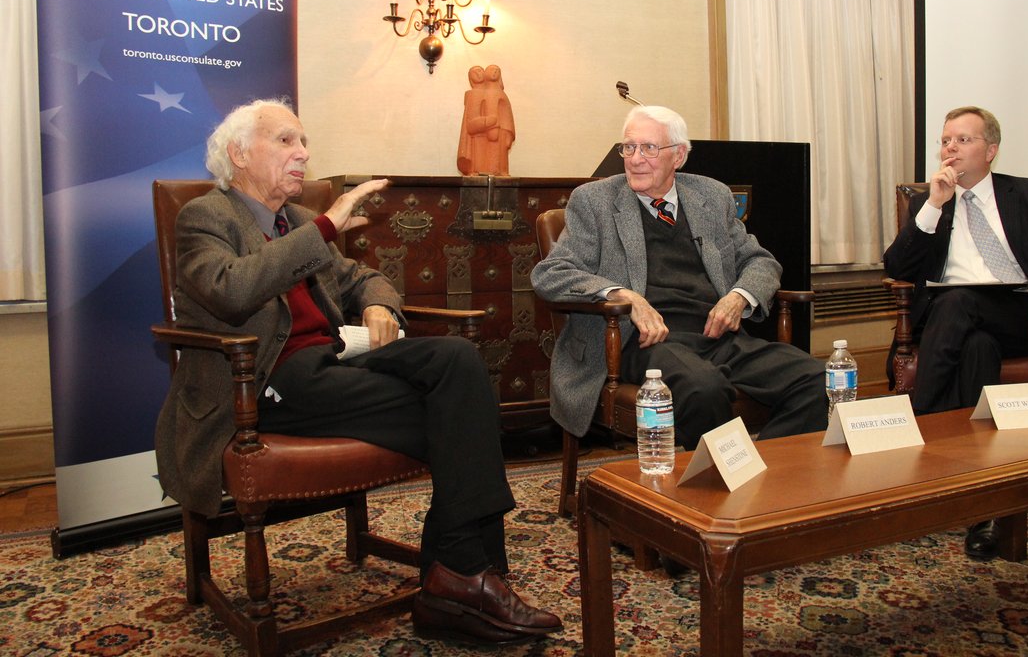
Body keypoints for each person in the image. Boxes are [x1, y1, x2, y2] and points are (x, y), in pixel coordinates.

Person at [154, 99, 560, 646]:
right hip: (265, 379)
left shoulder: (292, 222)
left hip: (330, 359)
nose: (302, 154)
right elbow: (230, 289)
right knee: (462, 417)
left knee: (458, 359)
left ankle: (457, 577)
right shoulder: (207, 217)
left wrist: (379, 306)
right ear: (238, 154)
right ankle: (463, 575)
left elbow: (360, 276)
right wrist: (323, 226)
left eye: (303, 142)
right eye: (285, 142)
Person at [531, 105, 826, 453]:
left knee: (819, 380)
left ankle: (762, 474)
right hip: (642, 342)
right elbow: (551, 273)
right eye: (628, 148)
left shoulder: (711, 197)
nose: (635, 159)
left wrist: (738, 297)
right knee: (704, 390)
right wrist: (623, 294)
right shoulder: (594, 201)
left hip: (715, 335)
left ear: (679, 156)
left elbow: (760, 261)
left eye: (648, 148)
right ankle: (719, 487)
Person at [883, 104, 1028, 560]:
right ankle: (982, 507)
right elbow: (896, 267)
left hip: (1020, 314)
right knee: (975, 347)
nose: (950, 148)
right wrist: (934, 205)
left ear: (991, 150)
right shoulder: (929, 202)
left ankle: (915, 430)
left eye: (963, 139)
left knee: (959, 302)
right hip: (957, 324)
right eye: (945, 140)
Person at [457, 64, 516, 176]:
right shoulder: (474, 94)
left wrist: (508, 132)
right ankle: (476, 170)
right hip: (480, 137)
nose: (479, 74)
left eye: (480, 71)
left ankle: (500, 170)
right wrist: (488, 121)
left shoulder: (501, 94)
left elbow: (507, 116)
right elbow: (471, 124)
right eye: (475, 72)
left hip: (500, 135)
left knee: (498, 158)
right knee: (480, 157)